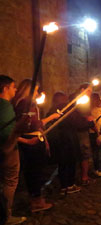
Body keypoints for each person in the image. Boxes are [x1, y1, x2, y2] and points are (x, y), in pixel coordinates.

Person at [12, 79, 60, 213]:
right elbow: (31, 125)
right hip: (30, 140)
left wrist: (44, 135)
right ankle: (36, 202)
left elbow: (36, 123)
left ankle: (36, 199)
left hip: (34, 138)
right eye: (36, 90)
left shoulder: (28, 104)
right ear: (30, 90)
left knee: (35, 171)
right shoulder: (25, 104)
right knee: (35, 172)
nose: (38, 92)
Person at [47, 92, 92, 195]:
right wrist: (88, 121)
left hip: (57, 140)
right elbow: (77, 123)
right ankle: (69, 185)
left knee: (62, 164)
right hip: (68, 140)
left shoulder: (51, 110)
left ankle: (64, 185)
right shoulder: (66, 109)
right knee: (70, 162)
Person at [0, 75, 27, 225]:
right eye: (13, 87)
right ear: (5, 88)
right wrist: (20, 129)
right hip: (7, 151)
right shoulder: (5, 106)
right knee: (10, 182)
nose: (15, 90)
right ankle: (5, 215)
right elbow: (6, 134)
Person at [70, 83, 95, 186]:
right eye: (89, 91)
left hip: (81, 128)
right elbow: (79, 115)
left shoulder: (82, 99)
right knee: (84, 153)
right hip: (80, 130)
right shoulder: (79, 99)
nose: (90, 93)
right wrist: (87, 119)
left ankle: (82, 176)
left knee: (82, 154)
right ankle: (84, 177)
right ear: (82, 89)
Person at [89, 93, 101, 177]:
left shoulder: (89, 110)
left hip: (91, 133)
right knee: (100, 151)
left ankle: (97, 168)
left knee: (94, 151)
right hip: (100, 132)